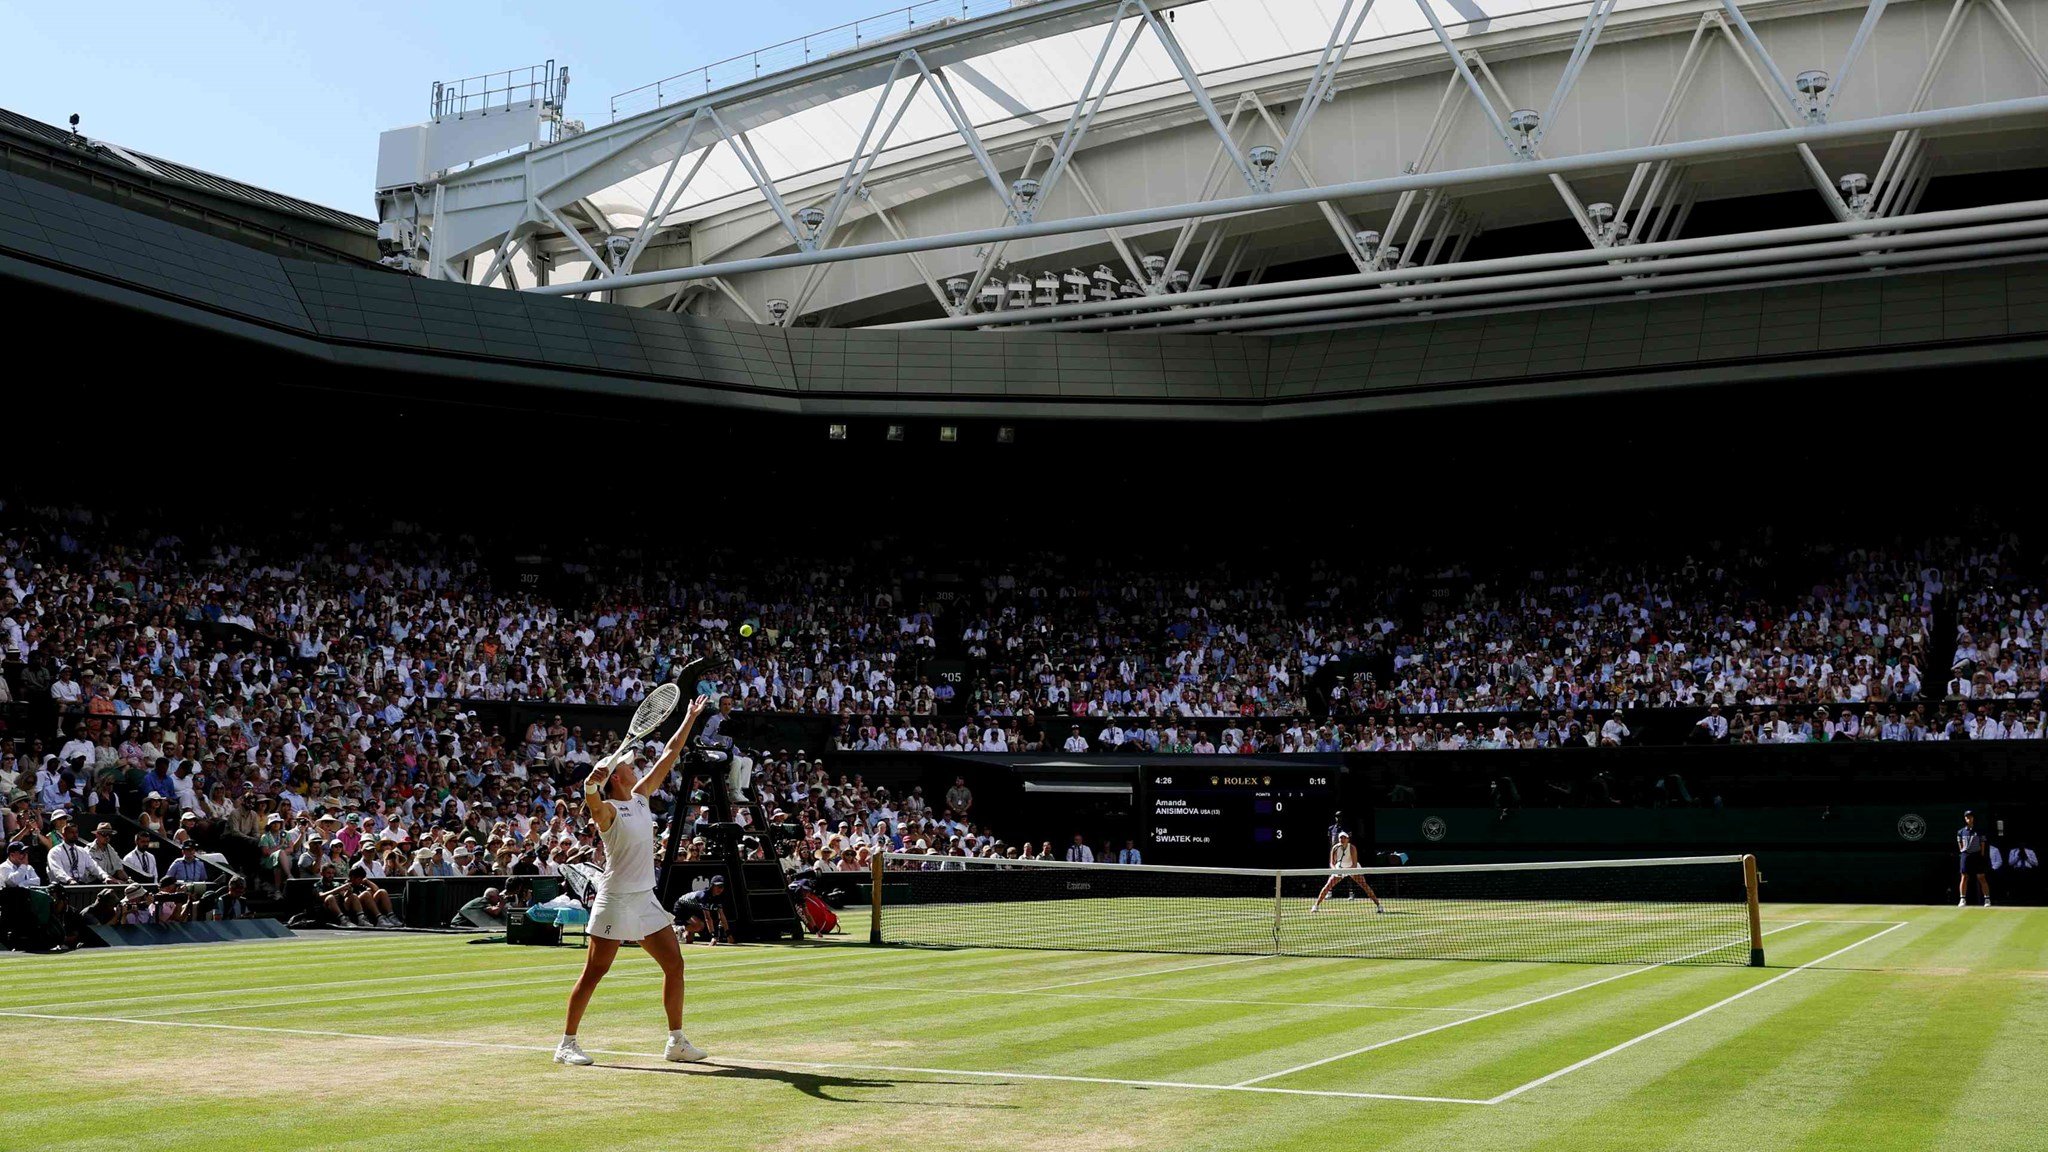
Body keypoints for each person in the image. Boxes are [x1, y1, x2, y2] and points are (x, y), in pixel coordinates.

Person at [556, 694, 712, 1068]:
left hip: (644, 898)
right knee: (595, 972)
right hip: (616, 899)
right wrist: (590, 788)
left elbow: (669, 754)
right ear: (616, 778)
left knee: (675, 966)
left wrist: (689, 718)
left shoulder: (640, 797)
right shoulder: (607, 809)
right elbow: (592, 805)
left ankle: (676, 1041)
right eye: (626, 765)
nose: (633, 766)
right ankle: (566, 1044)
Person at [1309, 831, 1383, 913]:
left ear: (1348, 839)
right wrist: (1336, 870)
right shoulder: (1335, 848)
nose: (1342, 839)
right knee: (1327, 886)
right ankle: (1316, 906)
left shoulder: (1352, 848)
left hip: (1352, 868)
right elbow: (1332, 863)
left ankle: (1379, 906)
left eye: (1344, 837)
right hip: (1340, 868)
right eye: (1341, 837)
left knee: (1365, 886)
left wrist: (1346, 871)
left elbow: (1354, 864)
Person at [672, 875, 731, 945]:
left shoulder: (718, 897)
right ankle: (676, 929)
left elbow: (722, 916)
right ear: (712, 886)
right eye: (718, 886)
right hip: (681, 907)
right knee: (700, 926)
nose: (720, 889)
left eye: (722, 886)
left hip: (692, 908)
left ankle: (682, 932)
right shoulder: (704, 896)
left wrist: (728, 935)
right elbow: (708, 918)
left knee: (689, 940)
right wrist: (713, 937)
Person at [1958, 809, 1992, 907]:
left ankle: (1987, 899)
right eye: (1967, 817)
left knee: (1981, 877)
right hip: (1965, 855)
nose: (1969, 818)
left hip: (1977, 856)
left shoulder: (1979, 831)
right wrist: (1963, 852)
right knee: (1964, 877)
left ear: (1973, 818)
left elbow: (1982, 844)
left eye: (1970, 816)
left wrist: (1980, 855)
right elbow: (1960, 844)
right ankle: (1962, 899)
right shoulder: (1961, 832)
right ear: (1965, 818)